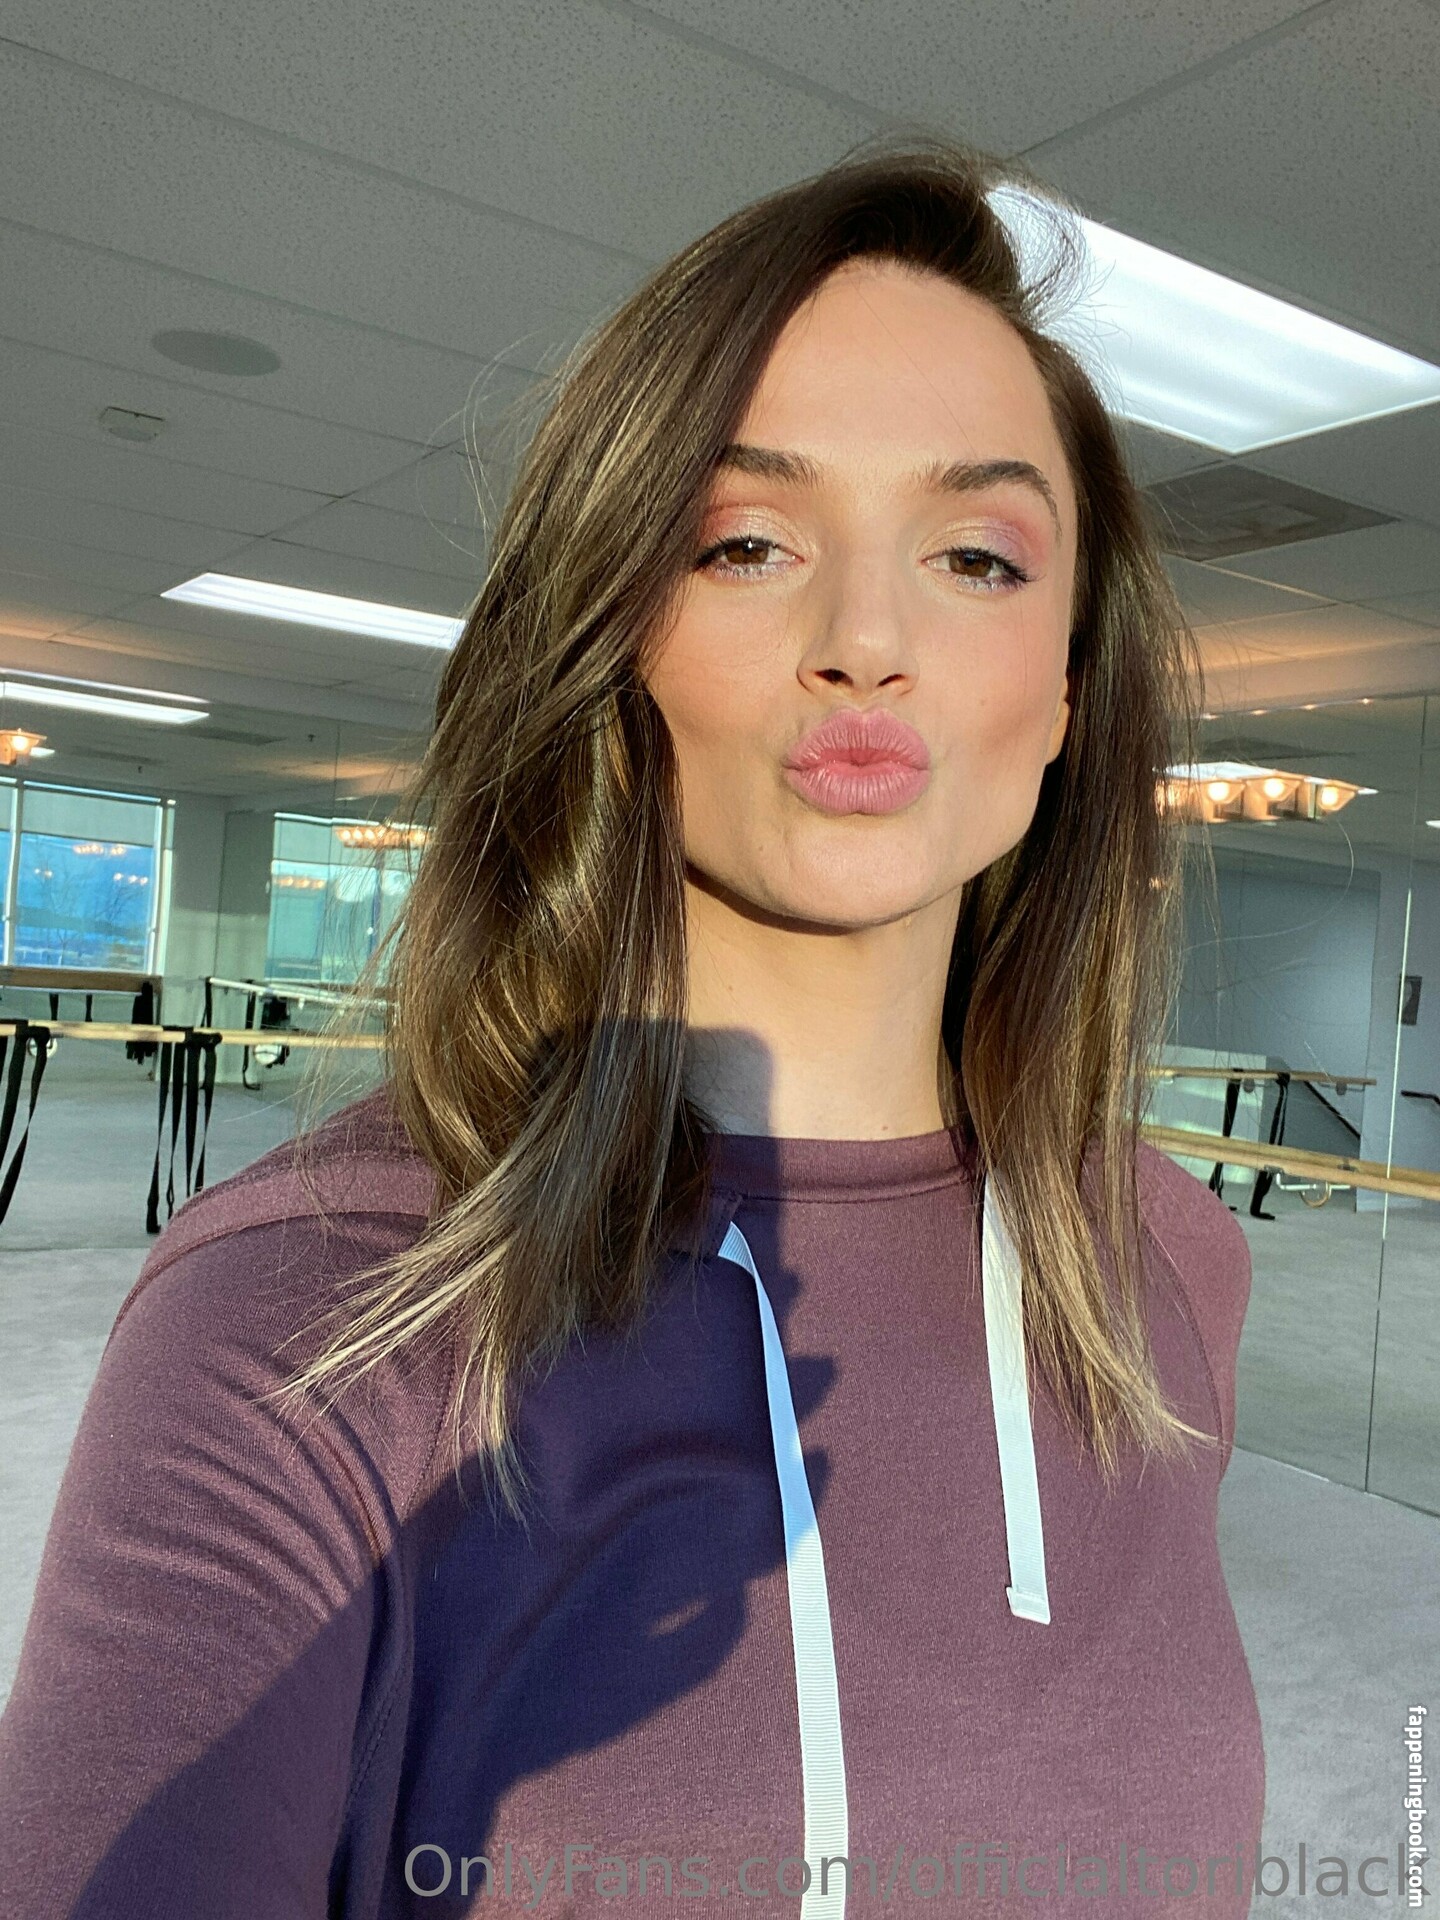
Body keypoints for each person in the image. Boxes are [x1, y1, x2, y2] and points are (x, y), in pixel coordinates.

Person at [0, 140, 1263, 1918]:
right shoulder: (307, 1313)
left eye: (979, 556)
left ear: (1065, 685)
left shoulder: (1167, 1259)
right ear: (610, 630)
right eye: (745, 544)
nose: (867, 638)